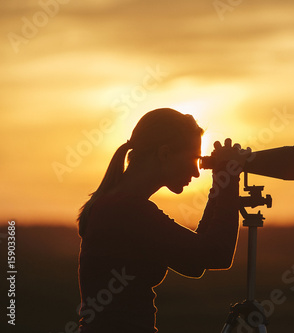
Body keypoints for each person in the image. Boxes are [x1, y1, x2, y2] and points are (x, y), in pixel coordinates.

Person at [77, 108, 249, 332]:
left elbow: (194, 263)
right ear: (165, 153)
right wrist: (229, 179)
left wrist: (222, 183)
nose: (197, 173)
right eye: (193, 159)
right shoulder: (129, 211)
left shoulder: (116, 205)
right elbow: (217, 254)